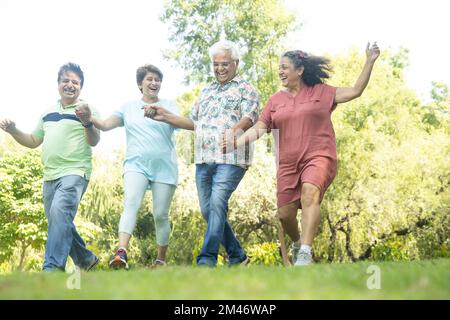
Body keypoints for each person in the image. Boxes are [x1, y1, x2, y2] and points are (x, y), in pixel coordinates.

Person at [223, 42, 381, 266]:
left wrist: (370, 61)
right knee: (285, 214)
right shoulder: (276, 100)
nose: (280, 71)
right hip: (288, 163)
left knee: (310, 193)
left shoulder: (322, 92)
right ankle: (298, 242)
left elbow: (355, 91)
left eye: (285, 67)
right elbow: (260, 127)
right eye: (279, 67)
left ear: (300, 70)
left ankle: (305, 252)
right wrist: (237, 142)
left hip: (319, 155)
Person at [143, 40, 259, 267]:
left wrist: (234, 133)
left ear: (236, 63)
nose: (220, 69)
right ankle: (238, 256)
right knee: (208, 210)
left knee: (217, 203)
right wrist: (164, 115)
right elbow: (193, 122)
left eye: (225, 64)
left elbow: (250, 117)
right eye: (216, 64)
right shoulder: (206, 91)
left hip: (232, 158)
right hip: (204, 157)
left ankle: (206, 259)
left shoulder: (247, 89)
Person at [75, 64, 179, 269]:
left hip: (165, 166)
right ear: (140, 84)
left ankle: (160, 260)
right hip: (136, 165)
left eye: (157, 80)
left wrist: (162, 113)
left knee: (161, 214)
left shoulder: (169, 105)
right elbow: (104, 124)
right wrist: (87, 118)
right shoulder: (128, 107)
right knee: (130, 203)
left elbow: (181, 122)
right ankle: (121, 252)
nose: (154, 83)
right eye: (149, 79)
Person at [0, 62, 101, 272]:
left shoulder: (86, 110)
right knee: (59, 219)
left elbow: (94, 140)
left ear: (81, 87)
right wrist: (13, 130)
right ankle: (85, 259)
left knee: (59, 213)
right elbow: (32, 140)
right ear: (58, 84)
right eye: (66, 81)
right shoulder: (47, 113)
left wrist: (87, 122)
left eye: (75, 82)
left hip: (75, 172)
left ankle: (52, 268)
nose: (70, 85)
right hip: (50, 176)